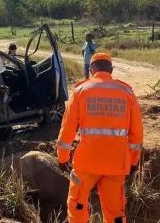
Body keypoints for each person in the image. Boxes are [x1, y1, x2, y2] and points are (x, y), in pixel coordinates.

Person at [56, 53, 143, 223]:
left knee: (77, 205)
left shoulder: (81, 91)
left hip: (86, 163)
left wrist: (62, 157)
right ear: (111, 70)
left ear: (91, 70)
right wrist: (132, 162)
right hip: (116, 163)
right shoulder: (126, 92)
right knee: (115, 212)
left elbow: (67, 129)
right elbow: (137, 133)